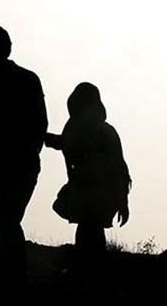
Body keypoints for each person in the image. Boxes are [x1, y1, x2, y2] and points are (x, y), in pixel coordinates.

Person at [0, 26, 47, 291]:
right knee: (6, 220)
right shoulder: (25, 78)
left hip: (12, 158)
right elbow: (40, 121)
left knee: (5, 220)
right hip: (10, 158)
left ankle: (12, 279)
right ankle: (12, 278)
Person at [45, 82, 131, 281]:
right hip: (99, 192)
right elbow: (121, 168)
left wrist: (123, 201)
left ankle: (86, 274)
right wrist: (122, 201)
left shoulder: (92, 130)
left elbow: (119, 167)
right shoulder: (104, 130)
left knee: (88, 230)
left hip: (93, 191)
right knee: (91, 230)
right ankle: (91, 273)